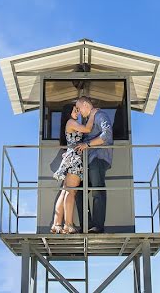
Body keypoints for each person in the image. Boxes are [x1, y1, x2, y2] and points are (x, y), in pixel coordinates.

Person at [51, 103, 96, 234]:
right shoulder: (71, 122)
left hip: (71, 158)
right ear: (68, 113)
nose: (77, 112)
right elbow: (88, 129)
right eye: (74, 110)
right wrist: (92, 114)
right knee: (71, 192)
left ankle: (57, 224)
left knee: (65, 191)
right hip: (75, 159)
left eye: (77, 110)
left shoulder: (71, 123)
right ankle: (68, 225)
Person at [74, 95, 113, 234]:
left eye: (79, 108)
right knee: (79, 191)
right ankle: (86, 224)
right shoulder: (88, 120)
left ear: (85, 104)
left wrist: (88, 144)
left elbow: (107, 135)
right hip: (88, 160)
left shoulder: (100, 115)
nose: (79, 112)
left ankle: (98, 226)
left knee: (97, 190)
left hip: (98, 157)